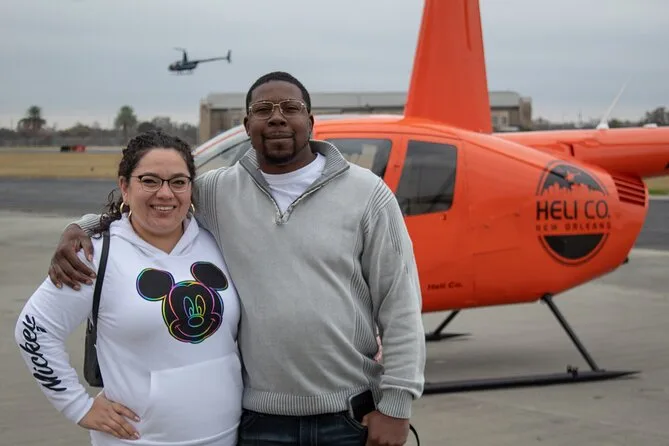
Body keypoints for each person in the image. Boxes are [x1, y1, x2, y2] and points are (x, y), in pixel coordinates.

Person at [47, 71, 426, 446]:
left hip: (349, 416)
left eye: (290, 108)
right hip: (257, 421)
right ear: (247, 126)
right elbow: (157, 204)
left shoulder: (367, 194)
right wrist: (82, 227)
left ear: (310, 121)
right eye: (263, 110)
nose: (276, 118)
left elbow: (400, 304)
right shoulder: (217, 191)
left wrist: (397, 405)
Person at [15, 130, 243, 446]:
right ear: (125, 186)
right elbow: (34, 329)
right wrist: (77, 406)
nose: (166, 193)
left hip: (226, 435)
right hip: (137, 439)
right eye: (150, 181)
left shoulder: (216, 241)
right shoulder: (95, 254)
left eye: (178, 182)